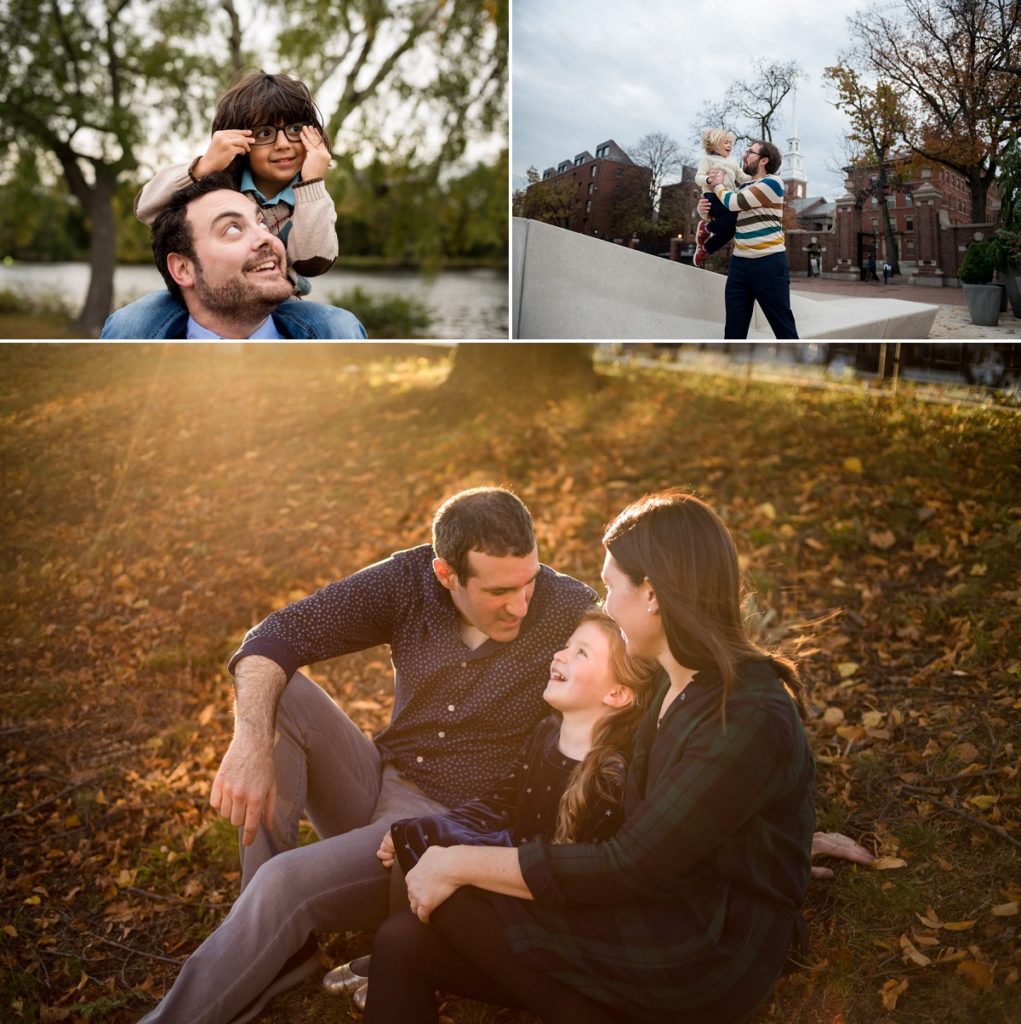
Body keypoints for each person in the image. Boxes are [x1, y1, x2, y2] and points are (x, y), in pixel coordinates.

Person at [362, 490, 833, 1024]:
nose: (604, 605)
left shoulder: (744, 715)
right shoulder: (667, 683)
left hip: (704, 943)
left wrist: (463, 860)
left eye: (610, 587)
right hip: (650, 899)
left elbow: (630, 862)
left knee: (454, 892)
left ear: (652, 594)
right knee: (401, 941)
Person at [136, 487, 596, 1024]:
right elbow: (279, 634)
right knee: (278, 692)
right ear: (446, 574)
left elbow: (633, 679)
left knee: (285, 883)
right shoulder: (408, 581)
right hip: (381, 779)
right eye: (499, 591)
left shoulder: (568, 607)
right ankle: (281, 942)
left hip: (455, 827)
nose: (520, 603)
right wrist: (250, 742)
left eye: (529, 581)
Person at [331, 609, 660, 1010]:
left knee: (430, 884)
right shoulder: (545, 735)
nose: (559, 655)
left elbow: (576, 880)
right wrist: (424, 828)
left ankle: (406, 964)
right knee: (416, 851)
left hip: (551, 928)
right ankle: (399, 965)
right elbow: (499, 802)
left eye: (581, 653)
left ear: (617, 694)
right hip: (513, 890)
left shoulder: (611, 776)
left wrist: (459, 859)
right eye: (566, 645)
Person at [102, 69, 359, 339]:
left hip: (278, 302)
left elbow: (312, 263)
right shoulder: (216, 183)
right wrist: (205, 165)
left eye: (295, 130)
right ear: (242, 138)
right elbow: (146, 208)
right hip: (204, 295)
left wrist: (313, 183)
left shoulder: (312, 196)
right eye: (264, 133)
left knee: (340, 326)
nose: (283, 144)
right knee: (129, 324)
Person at [102, 175, 365, 339]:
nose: (267, 237)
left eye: (261, 223)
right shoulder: (135, 344)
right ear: (183, 268)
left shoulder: (336, 339)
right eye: (232, 228)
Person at [701, 140, 799, 340]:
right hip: (739, 266)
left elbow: (734, 202)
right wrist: (702, 210)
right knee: (733, 332)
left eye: (750, 152)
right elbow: (722, 210)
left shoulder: (773, 183)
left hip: (769, 264)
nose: (745, 155)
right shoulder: (744, 185)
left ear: (764, 160)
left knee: (784, 329)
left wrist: (717, 184)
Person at [693, 129, 750, 269]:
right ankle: (706, 228)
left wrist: (758, 177)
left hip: (727, 196)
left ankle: (706, 248)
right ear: (714, 144)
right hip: (712, 196)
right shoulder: (708, 159)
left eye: (731, 143)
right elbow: (698, 177)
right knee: (732, 218)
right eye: (726, 143)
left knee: (731, 230)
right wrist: (707, 179)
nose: (730, 146)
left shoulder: (732, 161)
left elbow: (742, 177)